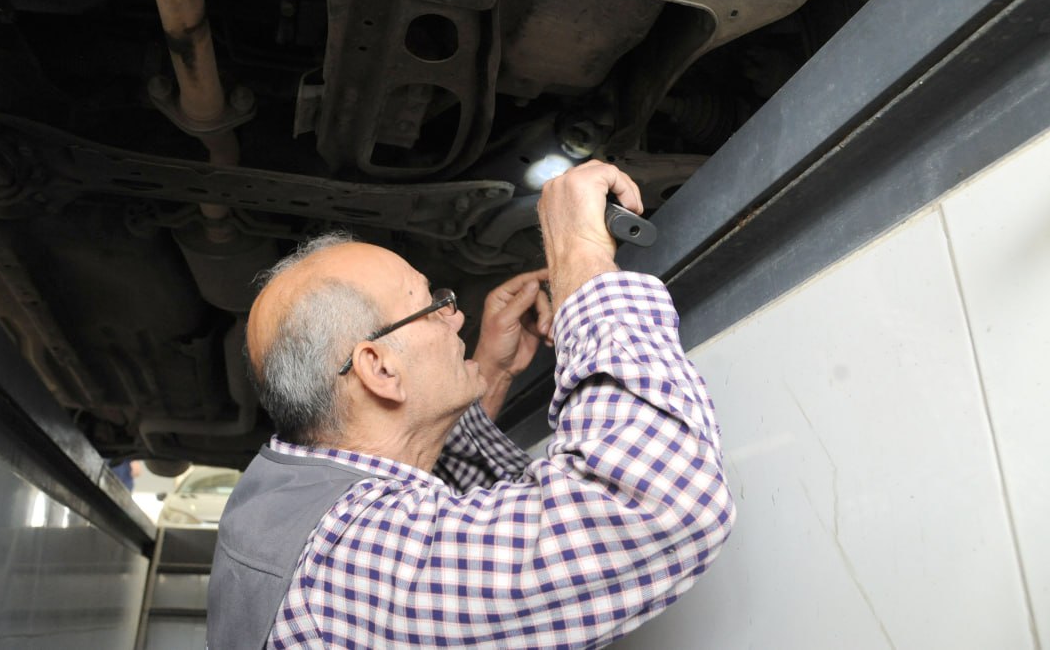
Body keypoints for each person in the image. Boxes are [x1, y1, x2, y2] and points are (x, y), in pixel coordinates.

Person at [208, 161, 734, 648]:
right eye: (433, 305)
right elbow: (651, 505)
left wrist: (490, 372)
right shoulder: (342, 561)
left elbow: (433, 515)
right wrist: (581, 260)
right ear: (380, 369)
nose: (457, 316)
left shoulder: (287, 505)